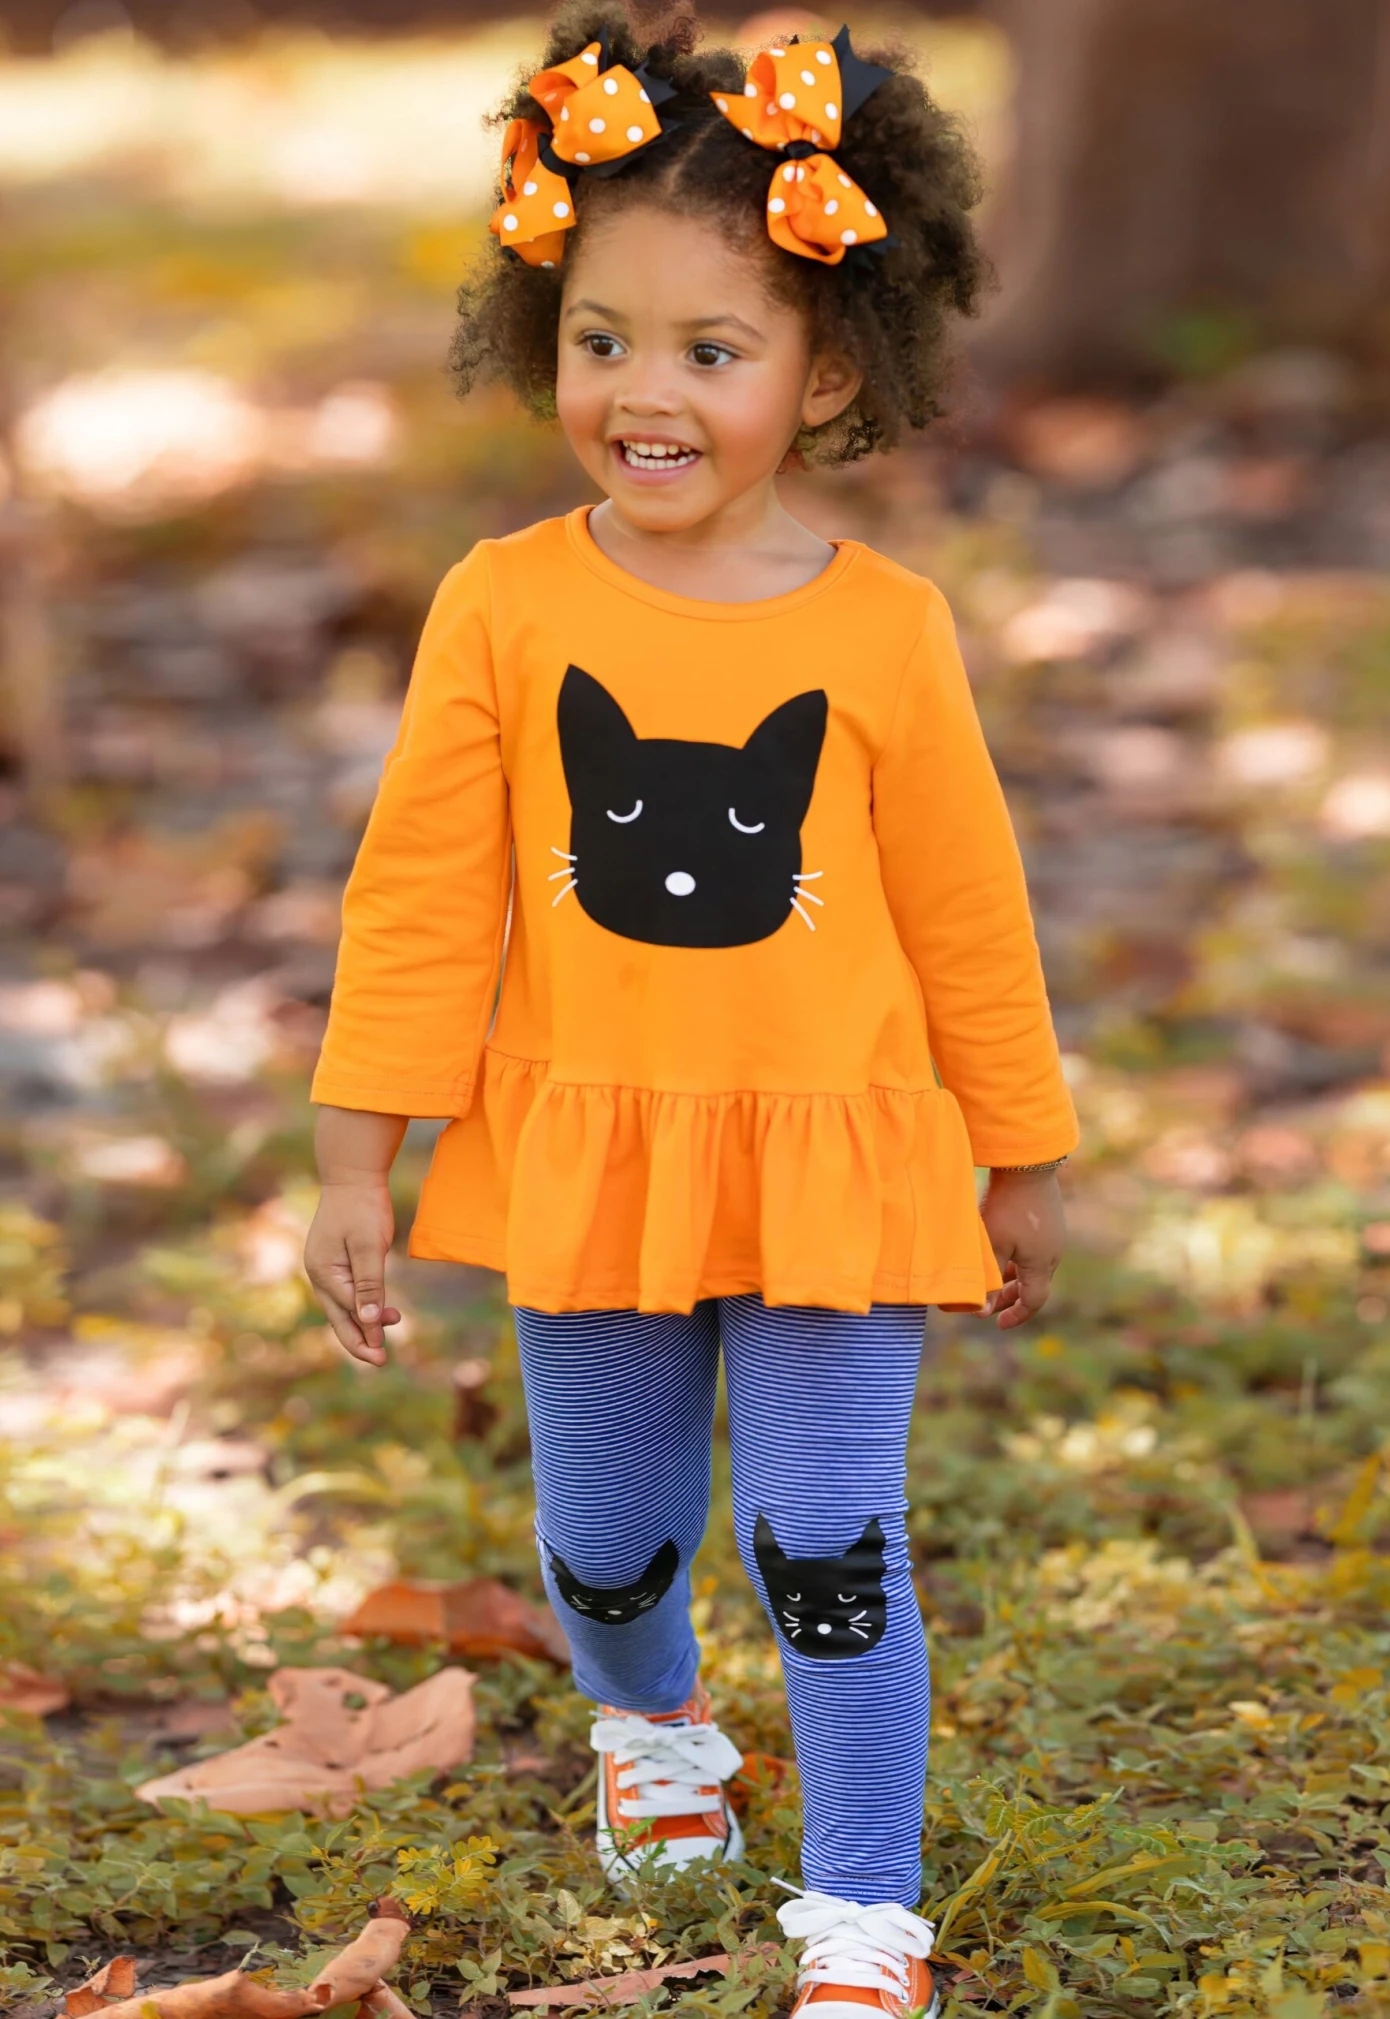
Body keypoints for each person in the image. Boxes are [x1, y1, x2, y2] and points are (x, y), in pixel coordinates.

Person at [303, 5, 1078, 2013]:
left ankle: (866, 1907)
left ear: (831, 369)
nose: (645, 391)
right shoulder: (503, 603)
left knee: (826, 1539)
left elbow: (970, 917)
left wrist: (1023, 1152)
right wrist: (355, 1156)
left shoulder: (888, 633)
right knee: (607, 1543)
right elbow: (422, 896)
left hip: (836, 1160)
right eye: (602, 338)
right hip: (591, 1153)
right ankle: (653, 1726)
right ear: (538, 332)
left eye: (711, 350)